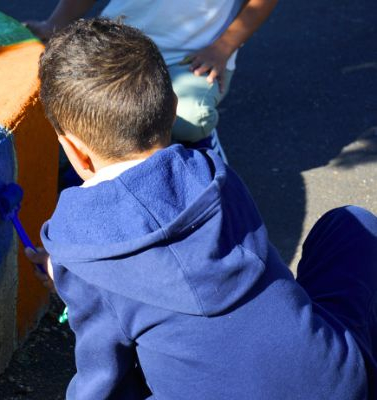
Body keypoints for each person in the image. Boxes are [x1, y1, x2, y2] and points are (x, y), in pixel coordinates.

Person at [27, 18, 377, 399]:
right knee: (352, 225)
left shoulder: (82, 250)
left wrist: (71, 272)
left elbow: (102, 379)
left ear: (74, 149)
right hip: (336, 382)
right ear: (173, 107)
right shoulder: (216, 177)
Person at [26, 0, 278, 163]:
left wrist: (223, 48)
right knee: (74, 102)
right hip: (123, 39)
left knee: (190, 121)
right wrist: (55, 23)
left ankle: (203, 150)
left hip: (192, 55)